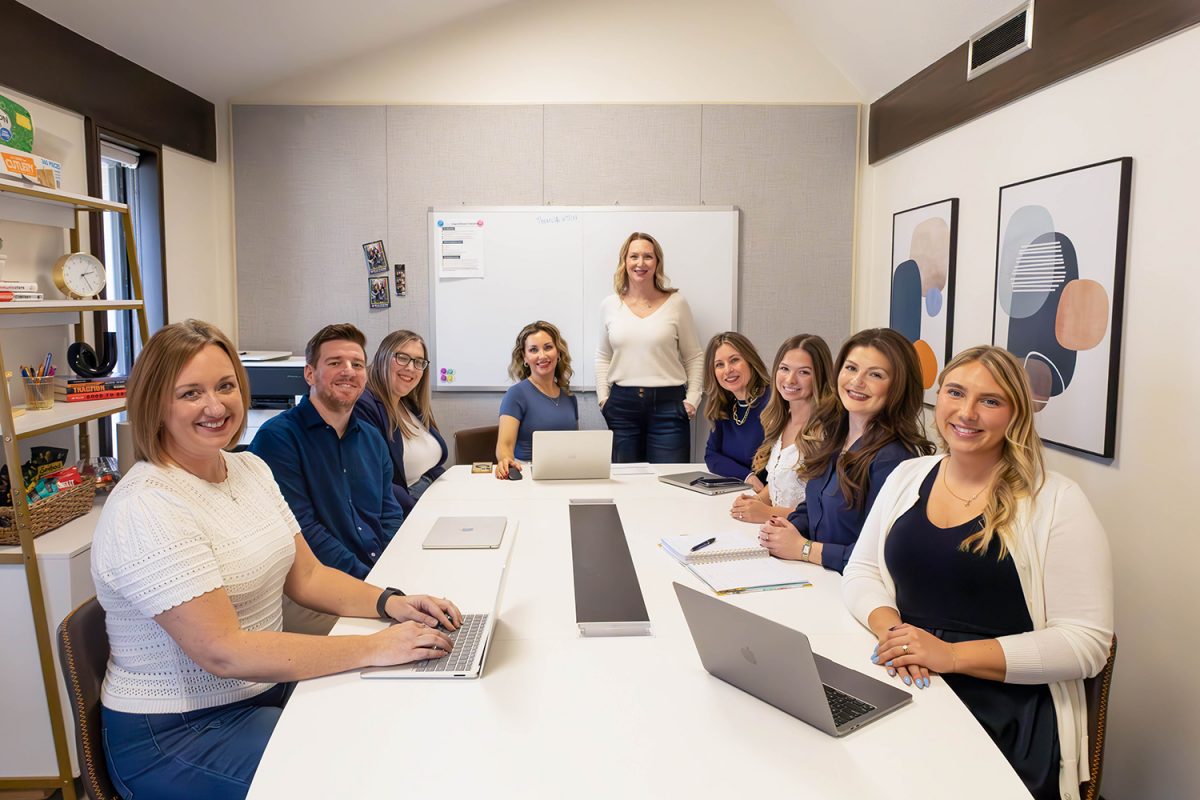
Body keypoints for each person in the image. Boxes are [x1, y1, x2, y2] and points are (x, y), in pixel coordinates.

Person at [91, 319, 461, 800]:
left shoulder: (247, 468)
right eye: (190, 393)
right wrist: (376, 647)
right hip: (182, 734)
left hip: (263, 692)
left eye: (225, 386)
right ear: (155, 404)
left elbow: (306, 574)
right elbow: (223, 651)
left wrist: (392, 603)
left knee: (399, 723)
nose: (215, 405)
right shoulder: (149, 504)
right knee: (369, 775)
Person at [843, 346, 1113, 800]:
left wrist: (949, 656)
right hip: (908, 682)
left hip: (1004, 711)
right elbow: (862, 570)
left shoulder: (1058, 501)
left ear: (1015, 415)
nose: (966, 413)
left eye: (990, 401)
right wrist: (898, 637)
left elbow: (1087, 644)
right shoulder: (909, 475)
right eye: (955, 392)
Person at [758, 327, 933, 573]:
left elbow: (886, 556)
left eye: (875, 374)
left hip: (849, 591)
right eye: (851, 368)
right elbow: (813, 505)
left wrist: (804, 549)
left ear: (898, 386)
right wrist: (788, 529)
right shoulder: (835, 435)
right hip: (814, 576)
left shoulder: (894, 459)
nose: (857, 382)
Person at [250, 323, 404, 579]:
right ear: (309, 374)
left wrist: (391, 566)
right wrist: (371, 582)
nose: (348, 371)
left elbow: (390, 513)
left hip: (377, 574)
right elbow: (303, 531)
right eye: (334, 363)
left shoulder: (372, 439)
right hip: (322, 582)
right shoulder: (278, 439)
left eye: (356, 364)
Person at [595, 231, 704, 463]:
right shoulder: (610, 305)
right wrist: (604, 399)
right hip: (622, 407)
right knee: (626, 484)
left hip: (669, 406)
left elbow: (694, 356)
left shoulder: (677, 303)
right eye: (634, 256)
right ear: (624, 262)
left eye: (648, 257)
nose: (640, 263)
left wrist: (693, 398)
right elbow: (603, 356)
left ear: (657, 263)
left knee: (669, 484)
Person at [730, 334, 834, 524]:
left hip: (802, 540)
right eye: (784, 369)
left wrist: (768, 512)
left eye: (804, 372)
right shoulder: (779, 421)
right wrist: (757, 500)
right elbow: (781, 482)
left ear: (821, 377)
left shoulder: (827, 432)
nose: (790, 379)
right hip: (772, 532)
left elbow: (825, 512)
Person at [353, 330, 447, 513]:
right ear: (383, 357)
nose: (411, 368)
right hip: (404, 509)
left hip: (431, 496)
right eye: (402, 358)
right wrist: (421, 512)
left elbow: (434, 465)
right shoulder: (363, 405)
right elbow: (376, 481)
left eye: (419, 362)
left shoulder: (408, 402)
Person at [495, 320, 579, 479]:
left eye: (548, 347)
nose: (542, 355)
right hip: (528, 475)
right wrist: (506, 461)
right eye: (533, 350)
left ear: (558, 353)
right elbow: (504, 446)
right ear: (525, 358)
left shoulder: (570, 398)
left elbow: (573, 447)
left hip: (566, 475)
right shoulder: (516, 395)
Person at [701, 331, 769, 480]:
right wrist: (747, 476)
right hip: (741, 490)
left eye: (734, 360)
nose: (728, 370)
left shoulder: (773, 402)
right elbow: (711, 455)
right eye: (719, 365)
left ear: (750, 360)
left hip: (767, 498)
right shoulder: (724, 406)